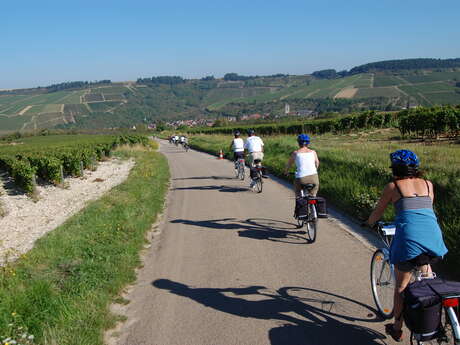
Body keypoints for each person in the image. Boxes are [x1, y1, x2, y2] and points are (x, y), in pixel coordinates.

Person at [365, 149, 448, 342]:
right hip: (434, 239)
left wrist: (368, 223)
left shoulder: (393, 187)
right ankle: (435, 318)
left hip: (409, 241)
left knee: (401, 287)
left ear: (395, 169)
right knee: (427, 279)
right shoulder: (428, 184)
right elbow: (424, 211)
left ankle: (397, 328)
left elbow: (378, 213)